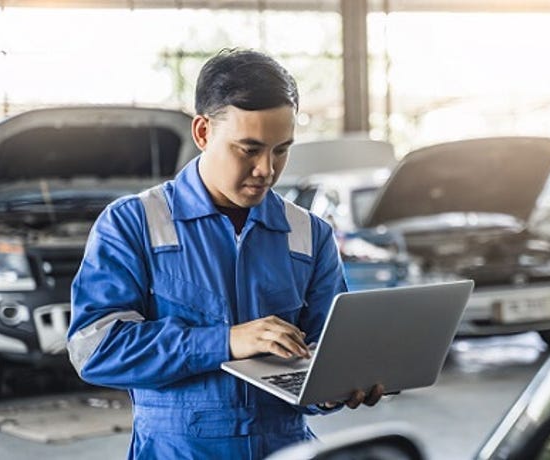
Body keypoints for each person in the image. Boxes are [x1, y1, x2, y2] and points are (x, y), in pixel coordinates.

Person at [66, 48, 383, 459]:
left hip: (284, 448)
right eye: (249, 149)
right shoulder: (134, 224)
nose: (267, 169)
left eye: (281, 149)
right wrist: (225, 342)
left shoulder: (309, 234)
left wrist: (335, 391)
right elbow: (96, 349)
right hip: (175, 450)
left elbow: (325, 353)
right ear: (202, 133)